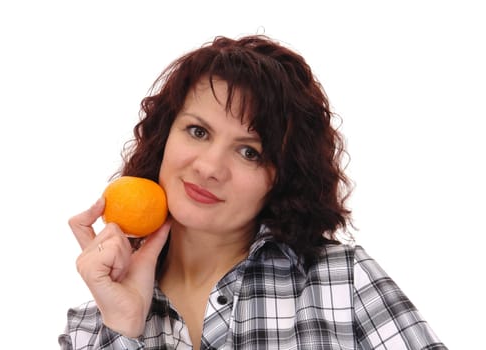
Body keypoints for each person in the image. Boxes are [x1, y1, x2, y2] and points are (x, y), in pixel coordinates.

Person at [59, 35, 446, 349]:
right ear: (164, 138)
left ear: (283, 176)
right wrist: (125, 330)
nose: (209, 168)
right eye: (198, 131)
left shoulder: (344, 282)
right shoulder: (91, 329)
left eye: (250, 152)